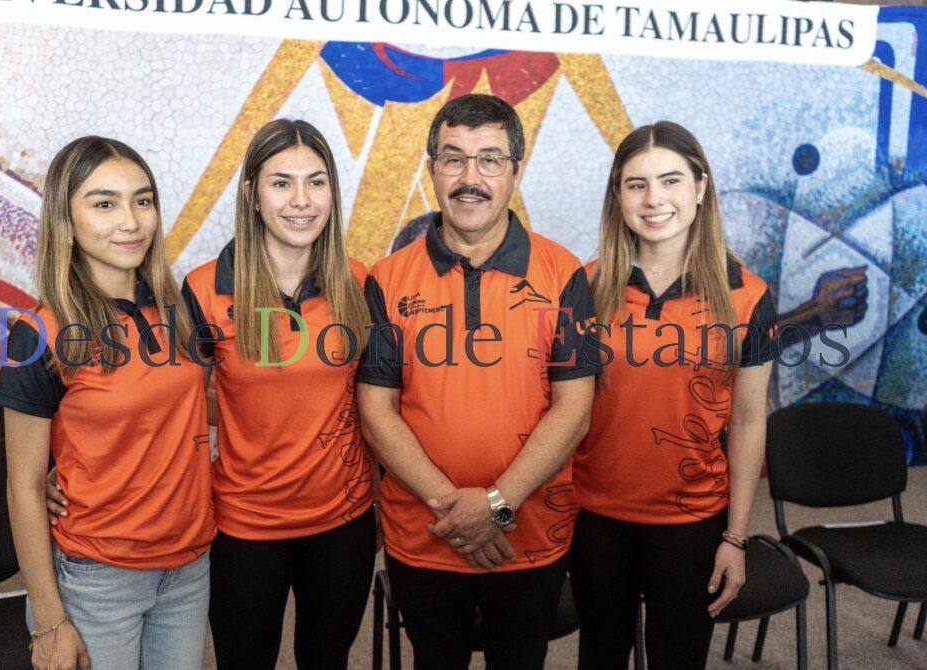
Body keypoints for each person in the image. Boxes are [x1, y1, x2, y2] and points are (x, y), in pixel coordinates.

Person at [356, 93, 598, 670]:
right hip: (425, 532)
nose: (470, 178)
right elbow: (376, 411)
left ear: (516, 170)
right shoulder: (387, 279)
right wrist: (456, 509)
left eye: (490, 159)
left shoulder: (563, 272)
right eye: (453, 159)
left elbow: (574, 408)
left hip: (529, 533)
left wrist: (497, 504)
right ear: (431, 169)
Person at [0, 136, 215, 670]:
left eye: (143, 200)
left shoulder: (178, 311)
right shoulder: (39, 333)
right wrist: (48, 619)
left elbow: (185, 414)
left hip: (188, 568)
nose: (131, 221)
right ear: (65, 220)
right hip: (99, 576)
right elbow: (23, 485)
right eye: (104, 203)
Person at [569, 121, 775, 670]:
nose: (654, 199)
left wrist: (735, 536)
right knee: (600, 655)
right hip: (594, 515)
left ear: (701, 187)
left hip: (693, 521)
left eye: (670, 180)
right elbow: (560, 412)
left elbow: (750, 421)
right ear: (618, 195)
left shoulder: (748, 296)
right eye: (636, 184)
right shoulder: (584, 288)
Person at [182, 119, 375, 669]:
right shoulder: (203, 288)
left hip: (343, 521)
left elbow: (384, 403)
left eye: (316, 182)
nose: (301, 201)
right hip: (245, 525)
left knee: (327, 660)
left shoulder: (359, 283)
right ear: (252, 194)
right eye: (281, 182)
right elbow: (166, 401)